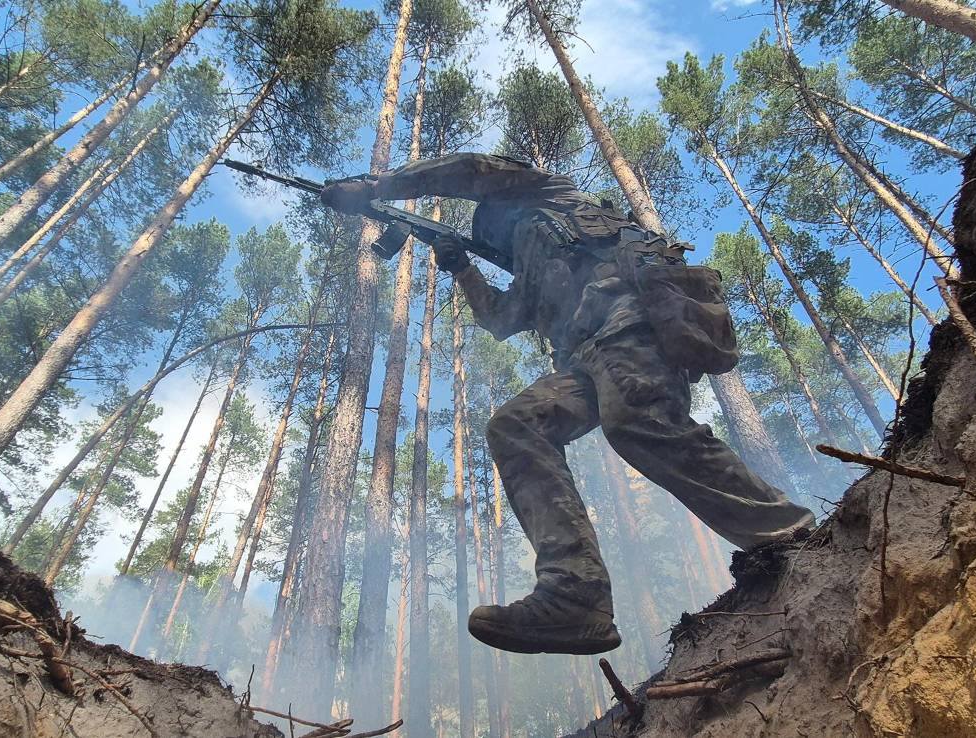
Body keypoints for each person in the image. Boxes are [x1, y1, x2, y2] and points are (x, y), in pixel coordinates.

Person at [322, 152, 813, 656]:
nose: (501, 241)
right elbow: (501, 320)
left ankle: (785, 531)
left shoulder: (548, 192)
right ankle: (574, 594)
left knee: (637, 422)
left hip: (630, 319)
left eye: (493, 232)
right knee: (516, 426)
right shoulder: (529, 272)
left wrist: (376, 188)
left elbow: (471, 169)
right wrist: (462, 266)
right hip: (582, 357)